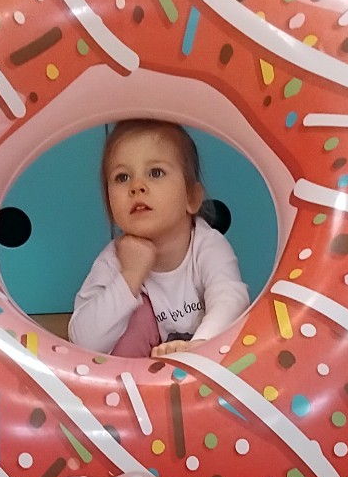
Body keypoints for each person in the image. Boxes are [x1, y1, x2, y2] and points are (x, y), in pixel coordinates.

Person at [69, 120, 251, 358]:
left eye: (156, 172)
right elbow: (82, 340)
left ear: (191, 198)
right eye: (122, 177)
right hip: (141, 374)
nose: (137, 186)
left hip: (209, 366)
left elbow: (231, 298)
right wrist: (129, 278)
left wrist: (200, 345)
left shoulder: (207, 245)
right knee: (136, 315)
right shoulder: (114, 259)